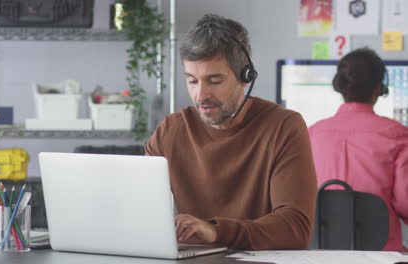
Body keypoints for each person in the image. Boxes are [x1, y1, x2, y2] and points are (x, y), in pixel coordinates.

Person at [145, 14, 317, 250]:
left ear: (245, 77)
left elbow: (295, 228)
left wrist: (216, 232)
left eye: (214, 81)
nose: (200, 95)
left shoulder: (283, 127)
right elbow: (140, 214)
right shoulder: (170, 131)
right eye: (192, 81)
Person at [308, 48, 408, 251]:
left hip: (319, 256)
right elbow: (405, 204)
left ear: (341, 86)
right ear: (378, 89)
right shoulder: (398, 135)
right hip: (382, 257)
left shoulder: (310, 134)